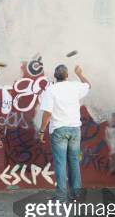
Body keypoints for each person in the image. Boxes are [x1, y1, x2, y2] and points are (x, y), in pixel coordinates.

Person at [38, 65, 91, 202]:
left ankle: (61, 197)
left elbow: (48, 112)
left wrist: (42, 130)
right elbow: (88, 85)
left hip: (59, 129)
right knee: (74, 161)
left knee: (60, 163)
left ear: (55, 77)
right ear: (67, 75)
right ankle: (76, 195)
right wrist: (79, 73)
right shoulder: (75, 86)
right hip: (75, 129)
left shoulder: (51, 90)